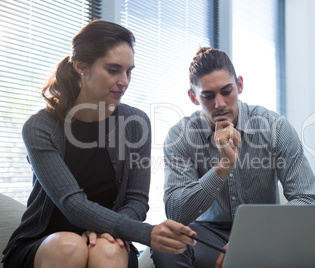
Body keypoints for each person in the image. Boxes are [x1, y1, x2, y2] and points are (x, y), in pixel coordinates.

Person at [1, 20, 197, 268]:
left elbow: (137, 200)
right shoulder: (40, 127)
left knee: (107, 250)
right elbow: (72, 204)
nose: (124, 80)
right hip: (46, 243)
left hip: (111, 239)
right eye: (113, 70)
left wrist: (109, 231)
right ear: (81, 66)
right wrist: (146, 233)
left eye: (129, 71)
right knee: (69, 247)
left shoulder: (136, 123)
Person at [150, 47, 315, 268]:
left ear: (239, 85)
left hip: (268, 231)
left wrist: (255, 238)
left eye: (226, 91)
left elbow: (309, 200)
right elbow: (176, 212)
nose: (219, 103)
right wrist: (222, 168)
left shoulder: (275, 127)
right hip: (209, 236)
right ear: (193, 97)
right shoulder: (180, 136)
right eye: (208, 95)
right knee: (166, 242)